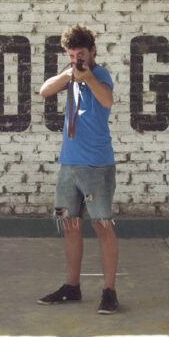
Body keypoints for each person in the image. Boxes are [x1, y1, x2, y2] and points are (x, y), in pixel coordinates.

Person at [37, 23, 119, 315]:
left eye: (80, 54)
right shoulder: (71, 74)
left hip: (96, 163)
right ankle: (72, 287)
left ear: (92, 51)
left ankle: (109, 292)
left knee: (102, 225)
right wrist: (68, 74)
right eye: (72, 55)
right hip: (69, 162)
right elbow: (44, 91)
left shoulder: (100, 74)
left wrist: (87, 77)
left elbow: (107, 100)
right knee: (70, 226)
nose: (76, 59)